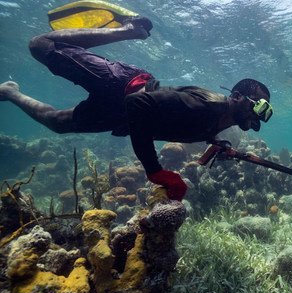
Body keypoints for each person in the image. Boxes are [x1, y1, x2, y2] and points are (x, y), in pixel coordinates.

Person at [0, 16, 273, 201]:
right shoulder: (205, 106)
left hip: (121, 114)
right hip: (123, 86)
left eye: (265, 113)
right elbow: (138, 103)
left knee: (57, 123)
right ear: (237, 96)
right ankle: (129, 30)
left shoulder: (222, 119)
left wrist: (216, 143)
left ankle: (11, 93)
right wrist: (155, 171)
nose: (257, 119)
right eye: (259, 107)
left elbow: (184, 125)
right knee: (40, 45)